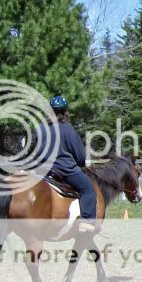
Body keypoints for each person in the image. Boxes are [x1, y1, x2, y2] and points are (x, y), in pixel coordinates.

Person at [33, 95, 97, 232]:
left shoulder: (40, 128)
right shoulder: (67, 129)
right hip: (64, 170)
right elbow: (80, 158)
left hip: (41, 171)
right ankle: (87, 222)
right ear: (65, 111)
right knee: (88, 189)